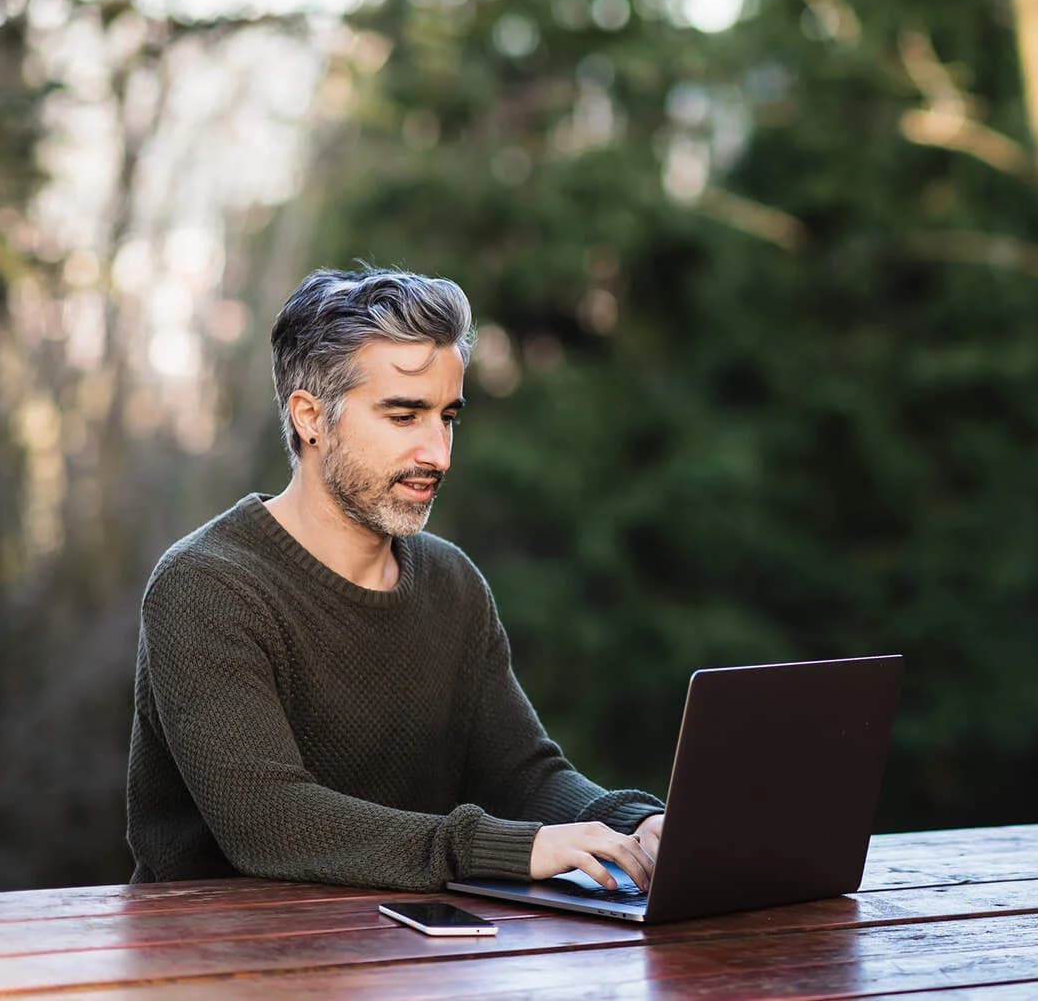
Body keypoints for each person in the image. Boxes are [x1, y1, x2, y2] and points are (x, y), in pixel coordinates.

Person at [126, 266, 664, 892]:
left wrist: (635, 825)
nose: (438, 453)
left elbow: (523, 776)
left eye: (448, 418)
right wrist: (513, 848)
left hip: (405, 953)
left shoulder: (451, 583)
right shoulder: (205, 587)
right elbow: (272, 822)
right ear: (311, 418)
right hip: (218, 962)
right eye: (405, 417)